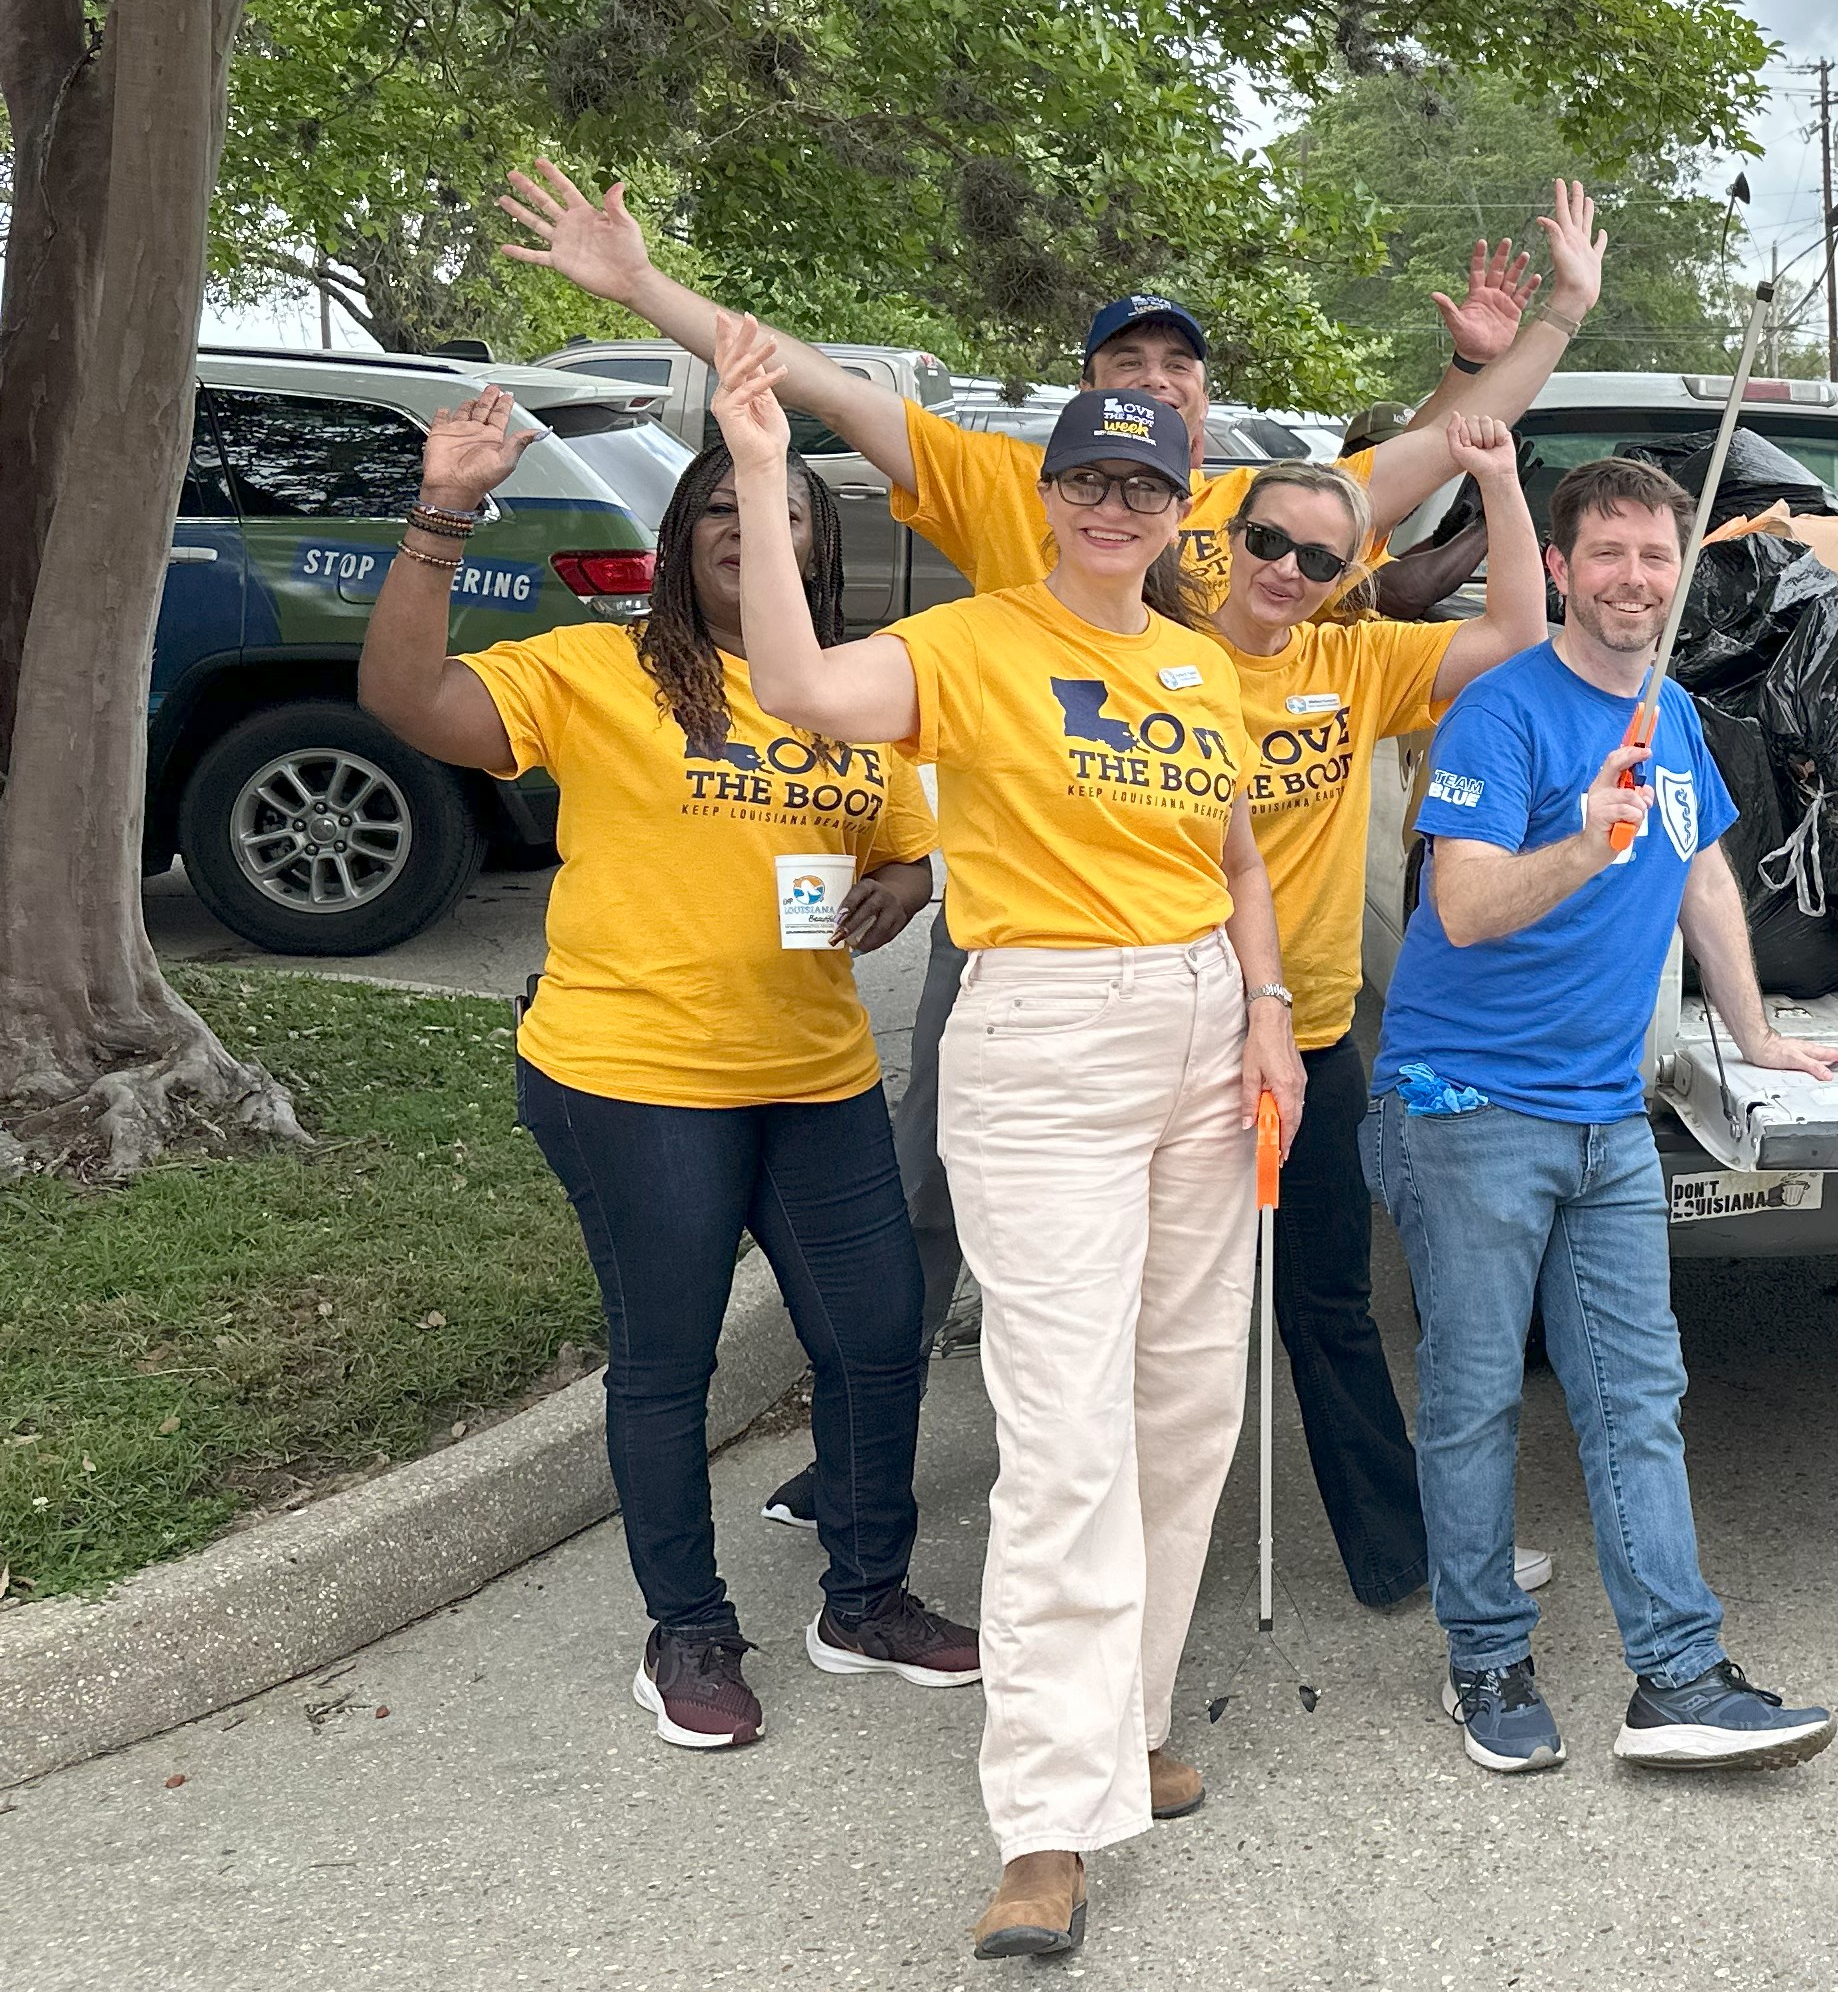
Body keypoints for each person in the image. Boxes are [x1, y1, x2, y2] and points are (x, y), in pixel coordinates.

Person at [500, 157, 1608, 1524]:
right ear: (1082, 398)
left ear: (1202, 408)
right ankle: (870, 1468)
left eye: (1177, 364)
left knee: (1188, 1281)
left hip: (1211, 959)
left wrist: (1548, 323)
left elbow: (1468, 444)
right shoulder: (1018, 485)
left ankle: (1139, 1521)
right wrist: (645, 286)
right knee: (925, 1202)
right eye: (1124, 359)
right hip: (1028, 941)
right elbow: (821, 385)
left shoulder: (1275, 513)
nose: (1153, 386)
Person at [711, 318, 1304, 1964]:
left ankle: (1129, 1718)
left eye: (1143, 480)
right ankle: (1045, 1823)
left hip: (1201, 1024)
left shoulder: (1200, 667)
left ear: (1179, 508)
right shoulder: (971, 637)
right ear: (1047, 496)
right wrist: (765, 477)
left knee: (1187, 1402)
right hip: (1043, 1038)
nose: (1115, 504)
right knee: (1061, 1429)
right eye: (1090, 478)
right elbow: (798, 686)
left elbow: (1241, 857)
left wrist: (1264, 1007)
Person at [360, 395, 972, 1750]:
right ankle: (687, 1627)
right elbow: (411, 701)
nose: (755, 530)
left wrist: (904, 882)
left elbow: (904, 840)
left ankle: (865, 1598)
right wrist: (440, 516)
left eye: (785, 512)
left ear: (814, 546)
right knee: (667, 1357)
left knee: (876, 1339)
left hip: (812, 1071)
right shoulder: (601, 670)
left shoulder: (853, 690)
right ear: (685, 540)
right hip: (633, 1075)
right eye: (724, 510)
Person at [1371, 455, 1838, 1778]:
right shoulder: (1500, 714)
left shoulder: (1675, 711)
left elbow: (1701, 872)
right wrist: (1584, 841)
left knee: (1639, 1394)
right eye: (1610, 555)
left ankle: (1678, 1676)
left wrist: (1755, 1034)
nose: (1635, 579)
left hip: (1605, 1114)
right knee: (1475, 1398)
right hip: (1467, 1109)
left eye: (1657, 556)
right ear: (1564, 570)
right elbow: (1462, 910)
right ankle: (1483, 1658)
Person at [1206, 429, 1551, 1612]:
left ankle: (1402, 1557)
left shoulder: (1352, 663)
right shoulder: (1150, 663)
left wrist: (1501, 483)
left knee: (1331, 1303)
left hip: (1307, 1034)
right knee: (1163, 1316)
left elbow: (1514, 633)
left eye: (1316, 558)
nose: (1286, 572)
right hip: (1172, 1027)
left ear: (1345, 575)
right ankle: (1126, 1577)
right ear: (1223, 537)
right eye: (1266, 542)